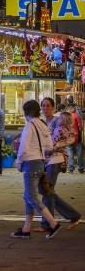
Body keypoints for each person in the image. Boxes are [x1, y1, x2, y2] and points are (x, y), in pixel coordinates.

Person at [12, 100, 61, 240]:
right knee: (28, 195)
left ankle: (53, 223)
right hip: (40, 163)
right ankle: (26, 229)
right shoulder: (43, 125)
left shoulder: (29, 125)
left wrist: (19, 161)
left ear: (26, 112)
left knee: (30, 197)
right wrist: (43, 160)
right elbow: (49, 147)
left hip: (30, 163)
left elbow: (23, 147)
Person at [38, 98, 81, 232]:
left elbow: (72, 137)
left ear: (53, 107)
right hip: (44, 160)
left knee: (47, 190)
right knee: (46, 190)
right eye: (43, 106)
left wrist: (56, 147)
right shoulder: (42, 122)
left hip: (56, 159)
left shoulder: (58, 120)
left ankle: (47, 224)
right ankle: (73, 215)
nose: (46, 108)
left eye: (48, 106)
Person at [66, 103, 84, 173]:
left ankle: (70, 169)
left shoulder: (66, 117)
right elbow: (80, 127)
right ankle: (81, 168)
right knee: (79, 154)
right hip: (77, 138)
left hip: (68, 138)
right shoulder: (76, 116)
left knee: (70, 154)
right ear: (73, 108)